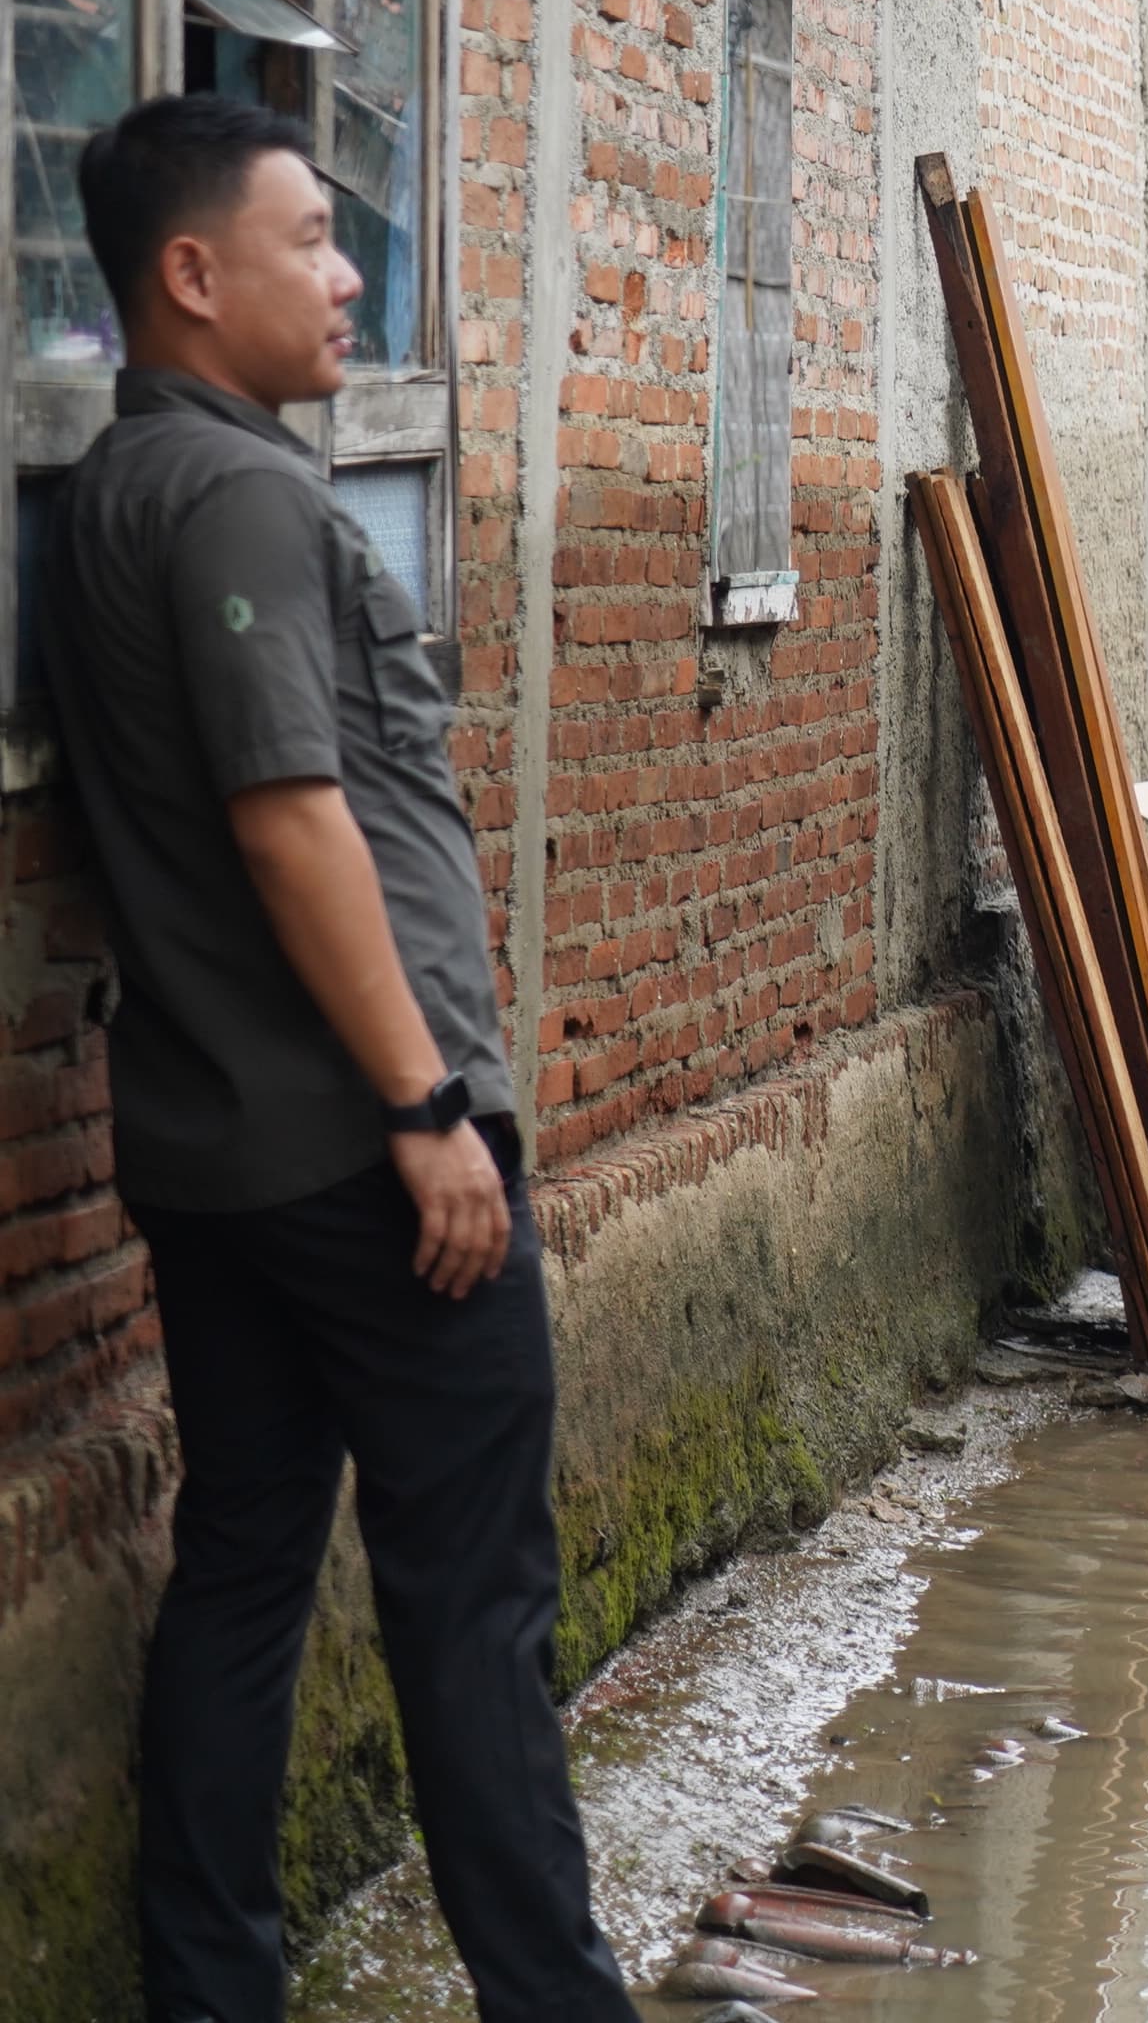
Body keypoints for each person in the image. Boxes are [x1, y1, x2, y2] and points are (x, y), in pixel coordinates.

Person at [40, 97, 632, 2021]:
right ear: (194, 276)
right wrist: (425, 1108)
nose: (351, 273)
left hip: (211, 1150)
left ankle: (211, 1992)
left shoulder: (123, 488)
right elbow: (294, 812)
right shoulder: (229, 499)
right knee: (474, 1607)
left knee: (243, 1568)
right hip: (361, 1164)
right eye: (313, 237)